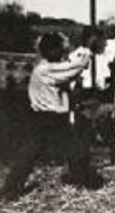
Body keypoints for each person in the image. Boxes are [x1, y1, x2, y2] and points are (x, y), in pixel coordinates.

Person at [0, 32, 101, 202]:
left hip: (50, 118)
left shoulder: (48, 67)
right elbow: (72, 69)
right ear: (51, 51)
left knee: (74, 151)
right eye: (60, 50)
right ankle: (9, 192)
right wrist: (88, 50)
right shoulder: (45, 69)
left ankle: (83, 181)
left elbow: (68, 70)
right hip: (46, 120)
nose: (63, 53)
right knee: (30, 155)